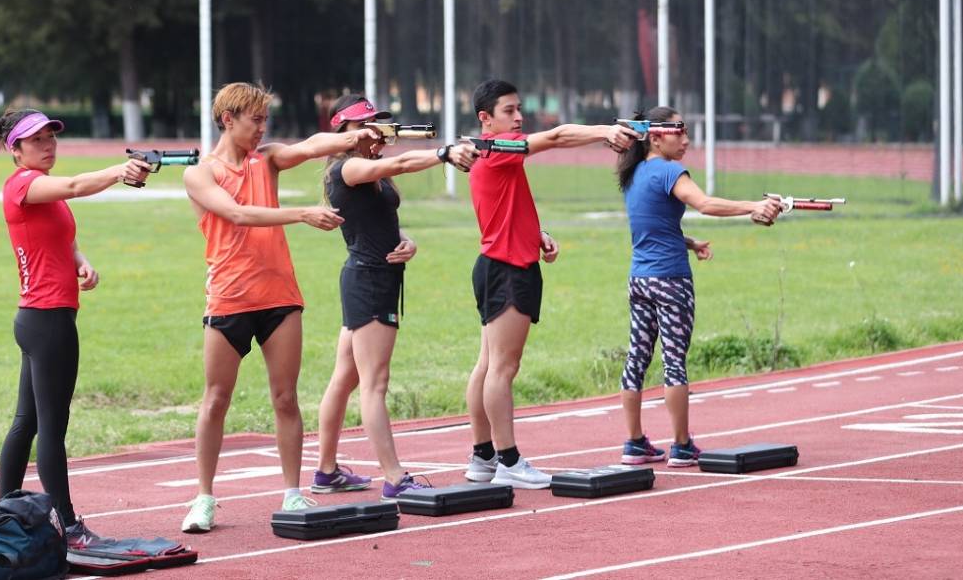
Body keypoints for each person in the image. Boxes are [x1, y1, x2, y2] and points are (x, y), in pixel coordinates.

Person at [179, 82, 380, 533]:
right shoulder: (200, 173)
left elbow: (311, 147)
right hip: (229, 297)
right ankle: (204, 498)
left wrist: (353, 138)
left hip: (280, 297)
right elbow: (237, 215)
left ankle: (292, 493)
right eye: (255, 120)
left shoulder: (265, 158)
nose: (262, 128)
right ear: (228, 119)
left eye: (265, 120)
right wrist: (302, 213)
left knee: (286, 398)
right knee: (216, 400)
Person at [463, 79, 639, 489]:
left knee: (488, 365)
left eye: (519, 108)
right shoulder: (499, 151)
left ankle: (483, 456)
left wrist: (534, 232)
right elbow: (558, 136)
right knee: (502, 369)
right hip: (506, 269)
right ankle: (507, 460)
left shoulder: (491, 157)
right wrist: (603, 132)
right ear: (485, 119)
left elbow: (504, 205)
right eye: (509, 110)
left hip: (497, 262)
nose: (519, 116)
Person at [0, 108, 151, 548]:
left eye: (51, 137)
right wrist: (120, 171)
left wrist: (80, 261)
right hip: (48, 321)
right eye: (37, 140)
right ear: (16, 148)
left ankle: (6, 513)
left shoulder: (43, 191)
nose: (48, 145)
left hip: (38, 317)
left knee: (26, 422)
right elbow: (80, 185)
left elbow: (62, 236)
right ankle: (67, 525)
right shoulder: (25, 184)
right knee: (51, 428)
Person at [312, 95, 479, 500]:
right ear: (343, 134)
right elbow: (400, 163)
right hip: (369, 281)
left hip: (371, 277)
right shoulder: (349, 167)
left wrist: (408, 241)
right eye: (363, 125)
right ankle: (394, 477)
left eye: (377, 123)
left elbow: (378, 224)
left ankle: (325, 471)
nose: (374, 131)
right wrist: (443, 154)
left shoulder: (369, 170)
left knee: (347, 377)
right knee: (375, 382)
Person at [615, 106, 782, 467]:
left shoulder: (635, 173)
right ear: (656, 136)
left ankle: (634, 443)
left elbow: (652, 227)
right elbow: (704, 203)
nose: (687, 140)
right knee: (674, 361)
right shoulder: (670, 170)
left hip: (639, 280)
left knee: (636, 359)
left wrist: (690, 243)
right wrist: (754, 206)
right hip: (671, 280)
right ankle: (681, 445)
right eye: (679, 132)